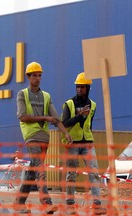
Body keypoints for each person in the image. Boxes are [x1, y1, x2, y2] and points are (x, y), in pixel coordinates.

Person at [14, 61, 73, 214]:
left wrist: (65, 133)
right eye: (34, 75)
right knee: (40, 168)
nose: (37, 78)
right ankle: (46, 203)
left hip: (44, 138)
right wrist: (45, 118)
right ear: (28, 77)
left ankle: (19, 202)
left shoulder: (46, 96)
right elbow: (23, 117)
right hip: (31, 136)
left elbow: (56, 118)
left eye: (39, 75)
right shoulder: (23, 94)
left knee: (32, 170)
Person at [61, 72, 107, 215]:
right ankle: (70, 205)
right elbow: (65, 123)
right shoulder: (69, 104)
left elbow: (89, 125)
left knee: (94, 173)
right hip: (73, 143)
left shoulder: (93, 105)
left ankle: (97, 205)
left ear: (87, 88)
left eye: (82, 87)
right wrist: (79, 116)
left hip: (87, 143)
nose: (79, 89)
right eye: (77, 87)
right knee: (71, 174)